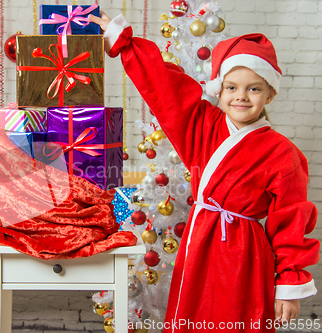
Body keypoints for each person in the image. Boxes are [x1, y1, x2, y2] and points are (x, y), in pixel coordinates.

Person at [89, 13, 319, 332]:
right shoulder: (202, 125)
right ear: (219, 90)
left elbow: (291, 223)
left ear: (270, 95)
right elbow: (164, 86)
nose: (241, 96)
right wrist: (126, 43)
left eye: (254, 89)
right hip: (198, 245)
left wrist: (290, 285)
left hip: (245, 254)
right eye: (231, 87)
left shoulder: (283, 153)